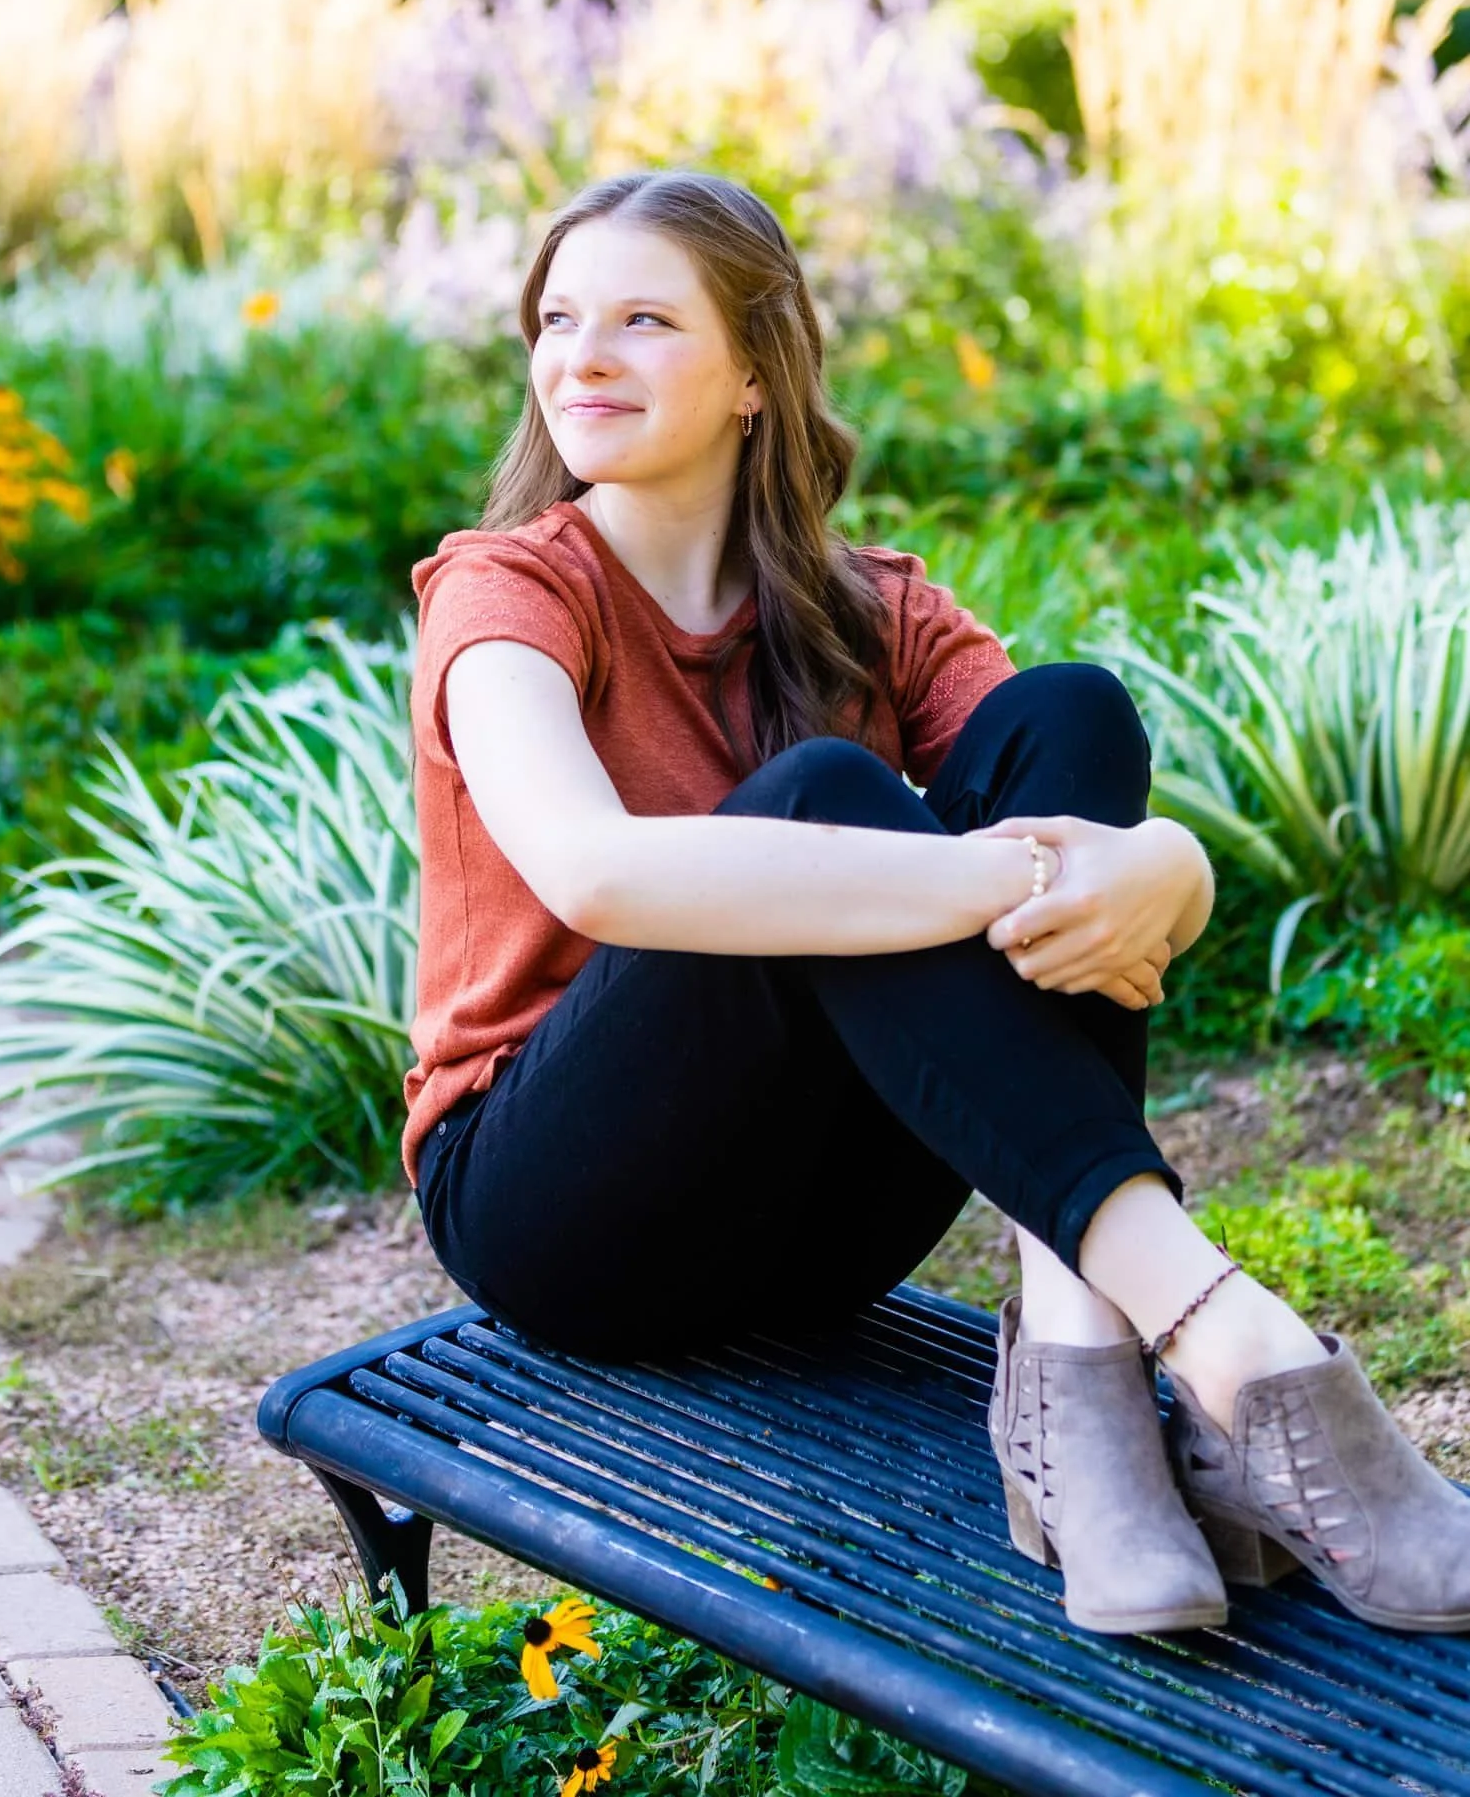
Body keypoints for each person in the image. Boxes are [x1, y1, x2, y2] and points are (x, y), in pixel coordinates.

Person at [404, 167, 1470, 1639]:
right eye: (559, 317)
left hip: (826, 1220)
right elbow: (598, 870)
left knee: (1065, 716)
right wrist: (1004, 874)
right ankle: (1236, 1343)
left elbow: (1087, 820)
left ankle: (1080, 1379)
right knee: (825, 799)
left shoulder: (872, 609)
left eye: (643, 320)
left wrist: (1178, 865)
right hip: (563, 1211)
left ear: (757, 376)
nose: (581, 356)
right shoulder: (511, 592)